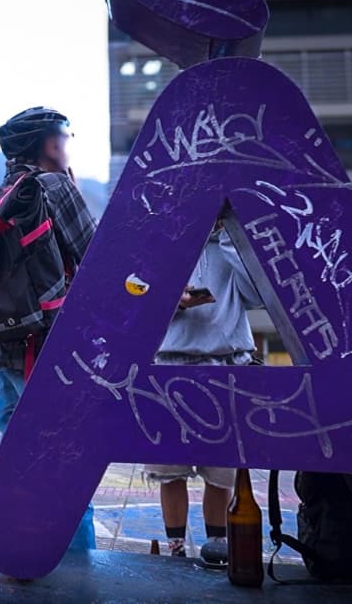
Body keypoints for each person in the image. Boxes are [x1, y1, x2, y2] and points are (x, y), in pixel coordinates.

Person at [0, 106, 99, 549]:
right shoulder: (54, 187)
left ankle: (22, 555)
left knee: (20, 469)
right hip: (51, 356)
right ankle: (75, 575)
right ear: (47, 143)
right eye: (64, 134)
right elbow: (98, 260)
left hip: (5, 355)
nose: (67, 143)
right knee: (68, 472)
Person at [147, 221, 264, 563]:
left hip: (226, 363)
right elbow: (135, 300)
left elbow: (255, 294)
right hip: (170, 362)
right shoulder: (163, 245)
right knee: (169, 470)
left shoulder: (232, 243)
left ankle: (218, 545)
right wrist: (172, 299)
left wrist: (229, 235)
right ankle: (176, 546)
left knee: (222, 471)